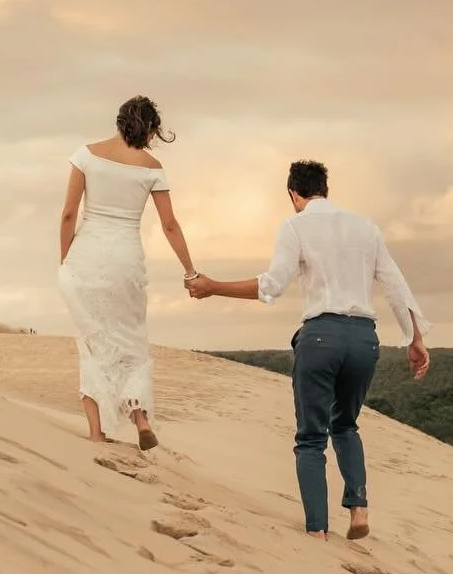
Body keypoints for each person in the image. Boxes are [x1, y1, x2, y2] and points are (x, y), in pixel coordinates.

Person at [185, 159, 431, 540]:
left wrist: (214, 286)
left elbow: (272, 285)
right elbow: (395, 284)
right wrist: (414, 338)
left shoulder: (295, 225)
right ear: (326, 190)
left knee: (311, 438)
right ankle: (359, 508)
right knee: (346, 425)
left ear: (293, 194)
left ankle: (317, 530)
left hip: (321, 337)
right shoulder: (365, 227)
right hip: (364, 339)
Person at [58, 96, 197, 450]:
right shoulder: (152, 167)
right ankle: (141, 418)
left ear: (119, 122)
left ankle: (95, 432)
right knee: (132, 341)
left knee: (92, 343)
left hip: (86, 257)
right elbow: (169, 225)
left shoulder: (86, 155)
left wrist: (66, 261)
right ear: (152, 130)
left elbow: (69, 216)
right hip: (127, 261)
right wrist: (190, 270)